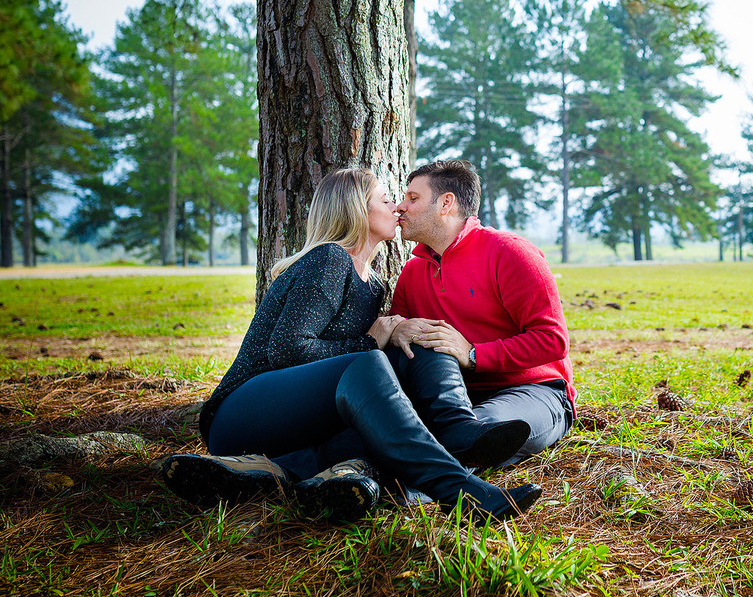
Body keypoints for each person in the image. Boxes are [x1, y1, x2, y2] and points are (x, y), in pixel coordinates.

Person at [158, 167, 540, 522]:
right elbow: (287, 350)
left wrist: (403, 333)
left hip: (297, 425)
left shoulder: (372, 286)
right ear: (358, 210)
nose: (397, 207)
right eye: (385, 199)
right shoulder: (329, 260)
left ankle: (457, 430)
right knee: (368, 362)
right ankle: (459, 490)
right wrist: (371, 341)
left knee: (420, 342)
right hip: (241, 414)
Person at [388, 159, 575, 467]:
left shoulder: (509, 252)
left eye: (413, 198)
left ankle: (405, 491)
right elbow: (403, 340)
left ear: (446, 203)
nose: (400, 207)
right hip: (453, 398)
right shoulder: (412, 271)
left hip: (532, 392)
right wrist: (396, 330)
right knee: (409, 426)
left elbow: (551, 340)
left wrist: (473, 354)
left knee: (481, 432)